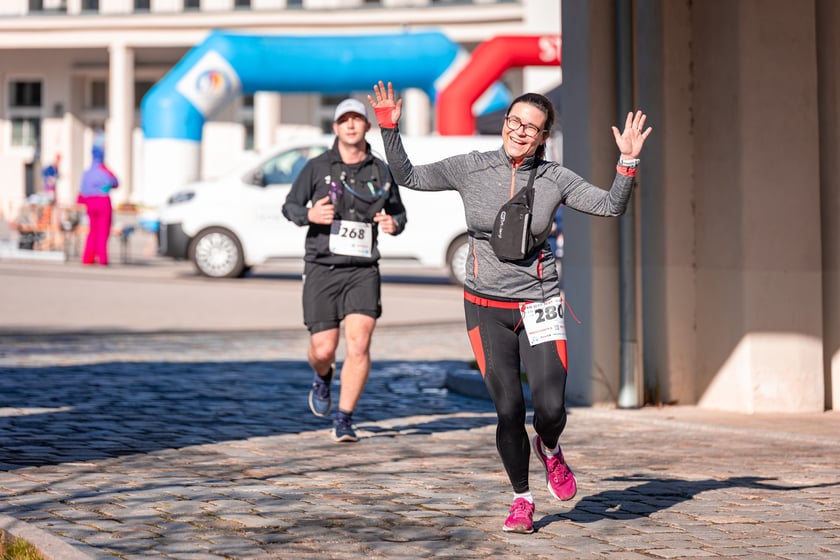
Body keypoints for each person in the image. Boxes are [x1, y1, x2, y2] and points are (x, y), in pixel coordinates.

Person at [368, 81, 652, 533]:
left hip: (538, 303)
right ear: (504, 123)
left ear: (543, 137)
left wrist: (628, 162)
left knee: (552, 408)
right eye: (514, 122)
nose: (520, 131)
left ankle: (551, 449)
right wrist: (389, 128)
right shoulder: (471, 167)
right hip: (484, 305)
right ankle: (522, 498)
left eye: (531, 127)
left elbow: (611, 205)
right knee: (506, 411)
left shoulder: (556, 178)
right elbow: (410, 176)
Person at [282, 98, 407, 443]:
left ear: (366, 126)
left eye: (357, 119)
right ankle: (322, 377)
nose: (351, 125)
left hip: (363, 269)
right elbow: (290, 205)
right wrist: (308, 215)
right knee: (323, 349)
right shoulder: (316, 167)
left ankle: (345, 418)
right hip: (322, 266)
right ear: (335, 127)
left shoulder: (380, 170)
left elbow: (399, 213)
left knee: (359, 343)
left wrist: (393, 223)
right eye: (344, 120)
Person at [77, 140, 119, 266]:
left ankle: (88, 258)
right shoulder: (105, 171)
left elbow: (82, 190)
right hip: (103, 201)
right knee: (103, 232)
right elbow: (116, 183)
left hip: (90, 203)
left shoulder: (87, 172)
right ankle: (102, 258)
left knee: (92, 231)